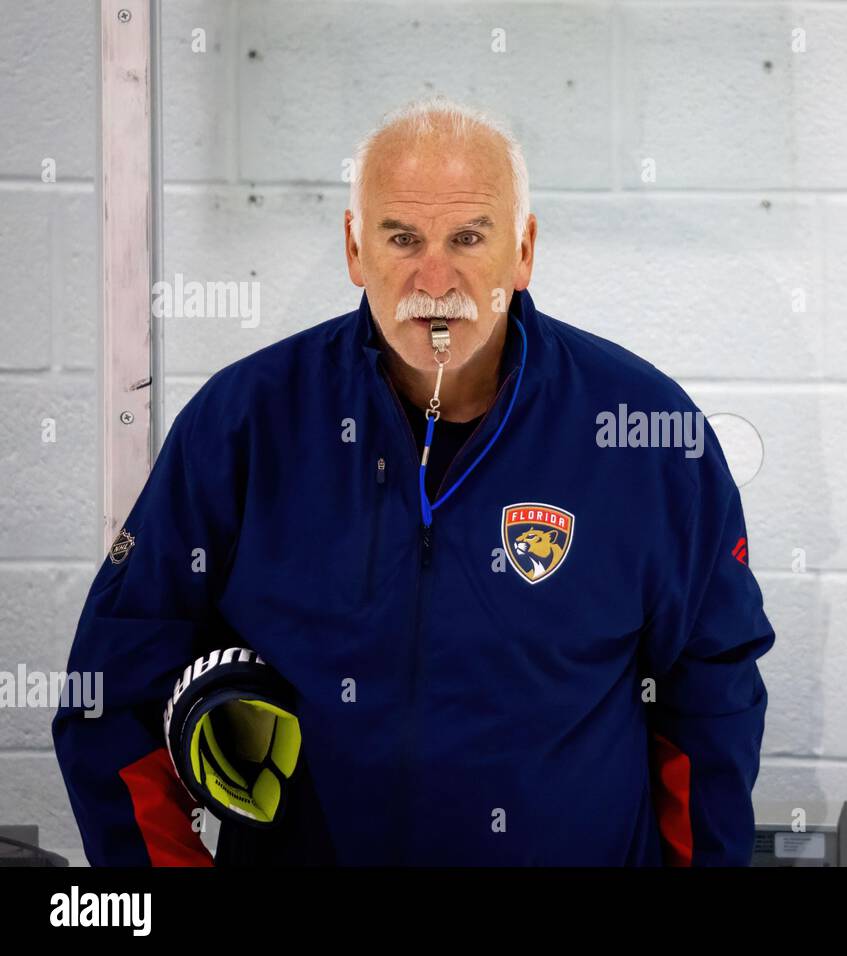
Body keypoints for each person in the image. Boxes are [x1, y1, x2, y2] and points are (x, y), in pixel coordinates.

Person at [52, 95, 775, 866]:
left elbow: (710, 703)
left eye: (469, 237)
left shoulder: (646, 434)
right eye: (402, 238)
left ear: (524, 251)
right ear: (355, 249)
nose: (436, 277)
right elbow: (110, 697)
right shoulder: (245, 425)